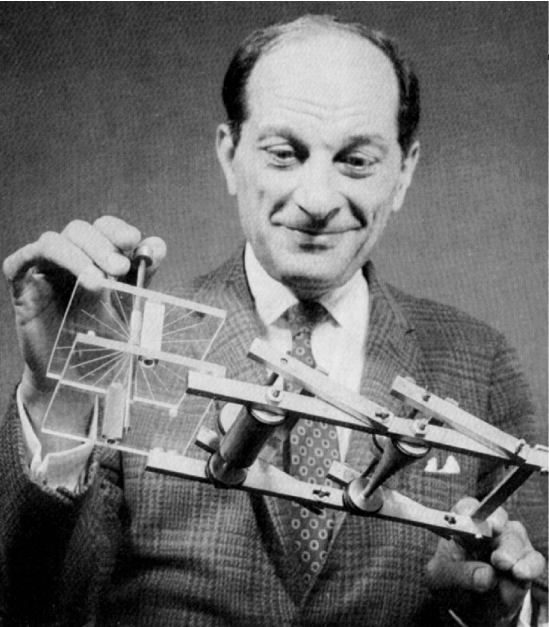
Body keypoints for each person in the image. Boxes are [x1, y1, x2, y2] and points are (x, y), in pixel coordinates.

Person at [1, 14, 546, 627]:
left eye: (356, 161)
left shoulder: (480, 362)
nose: (316, 199)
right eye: (284, 154)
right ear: (229, 155)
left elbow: (540, 590)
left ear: (404, 171)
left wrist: (502, 611)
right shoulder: (120, 342)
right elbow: (33, 606)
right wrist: (56, 401)